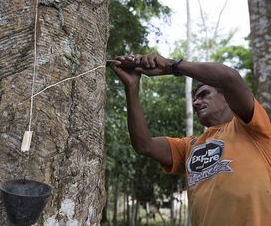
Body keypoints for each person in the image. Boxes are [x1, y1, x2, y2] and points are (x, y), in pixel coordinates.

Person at [109, 52, 271, 225]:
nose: (196, 103)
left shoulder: (251, 127)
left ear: (226, 97)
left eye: (204, 94)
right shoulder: (190, 146)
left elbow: (229, 77)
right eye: (195, 98)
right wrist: (132, 87)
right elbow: (144, 145)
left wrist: (172, 66)